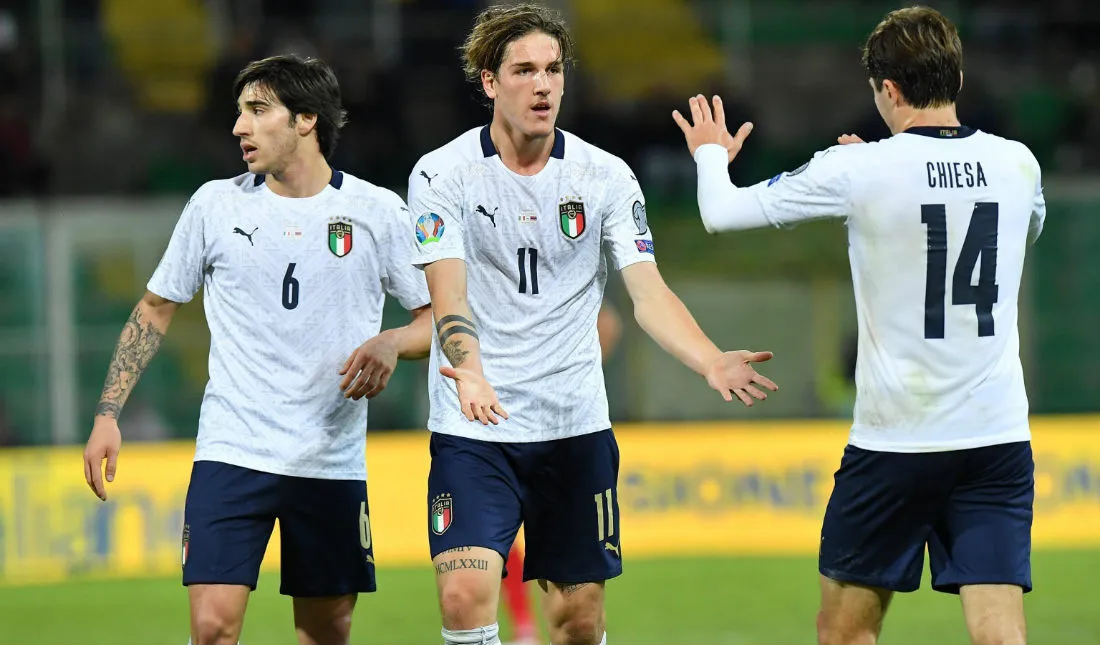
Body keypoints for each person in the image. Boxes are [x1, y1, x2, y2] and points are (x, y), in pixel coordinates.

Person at [407, 5, 778, 645]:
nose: (543, 84)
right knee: (466, 595)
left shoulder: (605, 176)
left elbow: (648, 293)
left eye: (553, 70)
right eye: (524, 70)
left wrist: (710, 358)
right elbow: (448, 293)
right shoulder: (441, 175)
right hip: (475, 427)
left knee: (577, 621)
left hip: (572, 428)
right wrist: (468, 372)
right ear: (490, 82)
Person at [673, 7, 1044, 645]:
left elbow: (721, 213)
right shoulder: (1018, 165)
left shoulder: (857, 171)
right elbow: (1014, 231)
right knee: (1001, 636)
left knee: (844, 633)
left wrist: (711, 156)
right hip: (995, 439)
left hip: (895, 443)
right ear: (953, 77)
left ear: (889, 90)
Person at [81, 55, 432, 645]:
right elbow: (155, 308)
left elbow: (436, 319)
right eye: (238, 112)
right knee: (213, 629)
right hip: (232, 451)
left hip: (329, 459)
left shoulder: (378, 212)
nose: (239, 127)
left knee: (326, 633)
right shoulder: (215, 205)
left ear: (305, 120)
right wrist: (107, 413)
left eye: (257, 110)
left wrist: (392, 340)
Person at [500, 302, 623, 645]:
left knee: (577, 589)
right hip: (496, 425)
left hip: (569, 429)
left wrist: (578, 371)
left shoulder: (566, 280)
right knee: (498, 540)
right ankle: (524, 627)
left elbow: (610, 321)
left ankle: (556, 629)